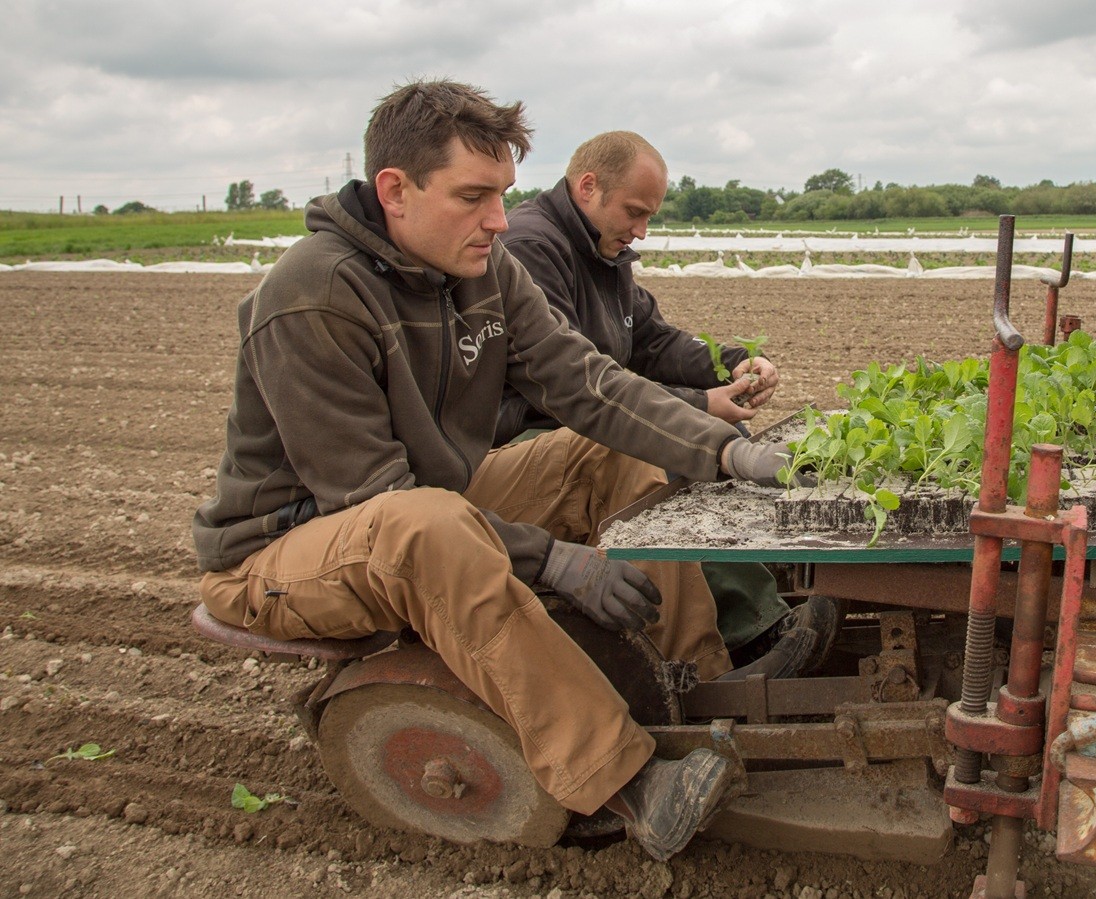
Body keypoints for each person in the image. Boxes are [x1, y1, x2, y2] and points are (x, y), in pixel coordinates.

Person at [191, 79, 795, 862]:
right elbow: (374, 501)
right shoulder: (311, 295)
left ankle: (696, 691)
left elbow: (591, 382)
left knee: (612, 448)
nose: (499, 221)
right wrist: (553, 558)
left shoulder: (482, 268)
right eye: (474, 196)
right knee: (426, 525)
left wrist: (730, 452)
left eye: (504, 194)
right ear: (394, 190)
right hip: (287, 548)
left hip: (427, 504)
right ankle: (624, 779)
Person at [499, 132, 833, 675]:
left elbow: (651, 339)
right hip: (530, 431)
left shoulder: (604, 250)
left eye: (649, 216)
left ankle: (767, 593)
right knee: (665, 455)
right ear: (588, 187)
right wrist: (699, 403)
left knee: (725, 447)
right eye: (634, 212)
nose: (642, 231)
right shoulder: (531, 250)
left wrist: (730, 364)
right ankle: (745, 636)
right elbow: (572, 385)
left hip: (587, 414)